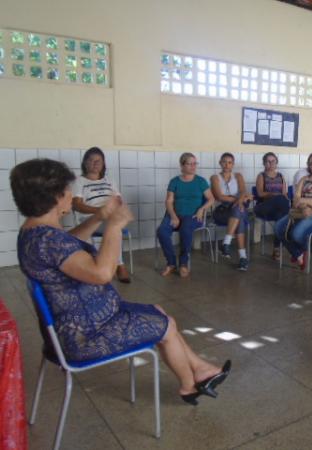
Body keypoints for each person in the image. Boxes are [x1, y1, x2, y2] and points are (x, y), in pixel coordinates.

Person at [12, 159, 231, 406]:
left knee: (160, 315)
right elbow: (103, 273)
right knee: (165, 325)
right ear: (53, 196)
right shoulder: (48, 240)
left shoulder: (35, 232)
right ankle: (188, 385)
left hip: (81, 321)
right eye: (66, 190)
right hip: (86, 336)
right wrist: (114, 226)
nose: (70, 195)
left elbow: (69, 245)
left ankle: (200, 370)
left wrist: (100, 217)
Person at [72, 147, 130, 283]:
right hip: (88, 219)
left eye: (98, 161)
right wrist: (98, 212)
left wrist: (115, 207)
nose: (95, 163)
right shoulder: (79, 181)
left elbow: (118, 200)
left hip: (109, 217)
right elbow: (76, 204)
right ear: (85, 163)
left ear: (103, 163)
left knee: (114, 225)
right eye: (91, 160)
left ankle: (115, 264)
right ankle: (119, 266)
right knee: (114, 227)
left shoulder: (109, 180)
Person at [157, 153, 214, 277]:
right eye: (189, 163)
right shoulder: (175, 181)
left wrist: (201, 209)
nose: (193, 166)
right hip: (174, 215)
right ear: (182, 166)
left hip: (193, 216)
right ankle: (171, 263)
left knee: (185, 229)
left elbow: (211, 199)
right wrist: (173, 215)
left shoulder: (200, 181)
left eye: (195, 163)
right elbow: (169, 201)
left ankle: (183, 263)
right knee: (162, 231)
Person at [274, 152, 312, 270]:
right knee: (278, 228)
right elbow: (296, 198)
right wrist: (304, 206)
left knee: (296, 234)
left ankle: (299, 252)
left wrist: (304, 201)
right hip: (300, 211)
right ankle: (298, 253)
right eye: (310, 163)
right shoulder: (304, 179)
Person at [210, 153, 253, 271]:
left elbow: (243, 191)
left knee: (238, 212)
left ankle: (226, 244)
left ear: (233, 164)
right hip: (221, 211)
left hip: (235, 211)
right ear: (220, 162)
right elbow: (219, 197)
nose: (226, 165)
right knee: (240, 210)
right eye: (224, 161)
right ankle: (242, 257)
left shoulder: (238, 176)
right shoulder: (215, 177)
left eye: (229, 162)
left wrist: (241, 198)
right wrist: (240, 200)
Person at [254, 152, 290, 260]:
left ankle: (276, 248)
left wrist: (282, 197)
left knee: (281, 216)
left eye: (273, 161)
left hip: (277, 209)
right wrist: (275, 195)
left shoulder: (281, 176)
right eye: (268, 161)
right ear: (264, 163)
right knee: (282, 202)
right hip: (263, 207)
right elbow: (260, 194)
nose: (270, 164)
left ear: (276, 163)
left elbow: (284, 193)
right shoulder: (261, 176)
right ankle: (290, 237)